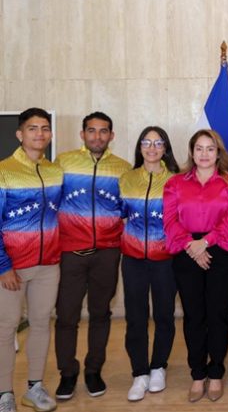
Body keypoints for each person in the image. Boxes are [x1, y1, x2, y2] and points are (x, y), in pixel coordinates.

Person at [163, 129, 228, 402]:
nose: (204, 154)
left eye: (210, 148)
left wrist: (206, 242)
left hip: (221, 252)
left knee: (218, 315)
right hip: (186, 253)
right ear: (191, 152)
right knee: (194, 316)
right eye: (198, 148)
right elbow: (170, 221)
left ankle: (216, 372)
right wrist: (193, 245)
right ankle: (198, 374)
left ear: (219, 152)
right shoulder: (175, 183)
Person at [54, 112, 131, 400]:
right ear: (82, 134)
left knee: (101, 313)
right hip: (70, 252)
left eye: (103, 131)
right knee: (66, 315)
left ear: (112, 135)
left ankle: (93, 370)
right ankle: (68, 373)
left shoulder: (123, 168)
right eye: (91, 131)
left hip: (107, 254)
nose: (97, 136)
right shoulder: (63, 163)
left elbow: (126, 208)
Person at [0, 109, 63, 412]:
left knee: (40, 324)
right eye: (33, 128)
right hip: (11, 268)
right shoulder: (4, 171)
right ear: (20, 134)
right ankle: (4, 394)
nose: (40, 133)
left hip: (48, 265)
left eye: (45, 128)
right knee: (6, 328)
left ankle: (34, 388)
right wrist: (3, 266)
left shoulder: (54, 172)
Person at [119, 127, 180, 401]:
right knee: (136, 317)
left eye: (158, 143)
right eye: (146, 142)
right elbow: (121, 214)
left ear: (165, 148)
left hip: (166, 259)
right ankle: (139, 372)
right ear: (139, 146)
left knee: (165, 315)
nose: (152, 147)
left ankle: (158, 367)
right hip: (133, 259)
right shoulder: (127, 178)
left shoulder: (177, 180)